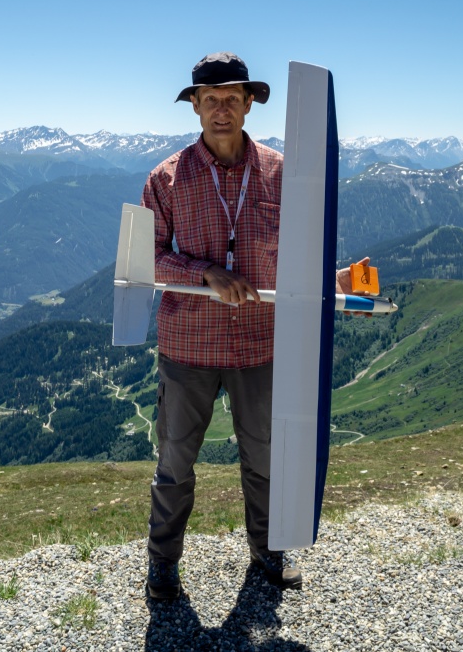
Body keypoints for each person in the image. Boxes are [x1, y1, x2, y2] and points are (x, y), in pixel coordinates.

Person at [141, 52, 368, 600]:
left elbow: (300, 252)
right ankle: (162, 565)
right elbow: (148, 258)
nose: (221, 110)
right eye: (210, 100)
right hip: (189, 346)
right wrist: (204, 273)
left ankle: (268, 553)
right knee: (175, 463)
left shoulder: (282, 173)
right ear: (194, 107)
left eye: (231, 99)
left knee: (266, 460)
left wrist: (336, 281)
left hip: (261, 344)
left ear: (248, 105)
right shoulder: (166, 178)